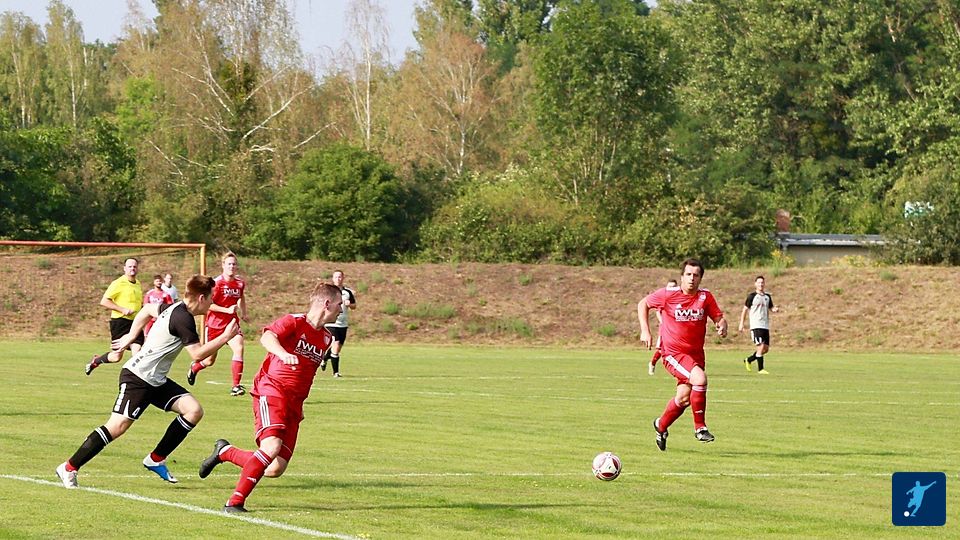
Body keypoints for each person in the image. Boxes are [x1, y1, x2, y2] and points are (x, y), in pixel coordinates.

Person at [56, 275, 240, 489]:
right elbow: (197, 354)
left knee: (193, 410)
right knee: (117, 426)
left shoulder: (174, 307)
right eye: (211, 298)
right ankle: (68, 468)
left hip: (156, 380)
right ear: (201, 298)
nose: (211, 303)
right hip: (138, 378)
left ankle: (155, 459)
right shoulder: (183, 319)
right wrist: (225, 337)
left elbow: (147, 310)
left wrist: (131, 336)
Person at [197, 281, 343, 513]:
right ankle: (234, 503)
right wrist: (283, 354)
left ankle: (225, 452)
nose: (341, 309)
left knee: (275, 467)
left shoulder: (326, 338)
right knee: (271, 446)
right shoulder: (295, 321)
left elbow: (307, 374)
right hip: (272, 390)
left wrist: (299, 403)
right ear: (327, 303)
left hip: (294, 404)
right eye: (339, 304)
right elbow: (267, 337)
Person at [639, 258, 727, 451]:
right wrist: (645, 330)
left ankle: (661, 425)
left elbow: (718, 317)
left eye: (696, 275)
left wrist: (722, 326)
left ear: (700, 278)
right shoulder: (668, 295)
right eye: (688, 274)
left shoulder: (705, 297)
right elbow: (643, 304)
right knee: (700, 379)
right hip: (673, 353)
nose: (692, 278)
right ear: (682, 276)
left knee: (684, 399)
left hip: (696, 355)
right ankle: (700, 428)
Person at [187, 251, 248, 396]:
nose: (232, 266)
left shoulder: (240, 283)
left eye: (234, 264)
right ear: (223, 265)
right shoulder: (216, 284)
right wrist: (227, 310)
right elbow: (209, 305)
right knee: (209, 360)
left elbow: (241, 297)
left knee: (239, 347)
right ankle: (195, 368)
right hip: (215, 326)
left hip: (232, 324)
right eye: (229, 264)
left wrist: (244, 313)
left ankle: (236, 386)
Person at [85, 257, 144, 376]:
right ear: (124, 268)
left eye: (134, 266)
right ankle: (96, 361)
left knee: (137, 352)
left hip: (135, 323)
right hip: (120, 322)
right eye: (130, 266)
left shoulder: (138, 284)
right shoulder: (118, 283)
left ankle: (135, 379)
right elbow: (104, 301)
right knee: (116, 357)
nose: (132, 268)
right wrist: (123, 310)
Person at [738, 275, 779, 374]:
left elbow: (771, 307)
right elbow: (745, 310)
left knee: (765, 349)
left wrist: (774, 309)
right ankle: (761, 369)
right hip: (756, 325)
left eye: (762, 282)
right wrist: (741, 323)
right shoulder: (752, 296)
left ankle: (749, 360)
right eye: (759, 282)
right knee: (760, 346)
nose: (761, 284)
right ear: (755, 284)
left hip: (765, 325)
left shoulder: (767, 297)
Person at [321, 269, 356, 378]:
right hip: (331, 322)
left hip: (343, 324)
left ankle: (324, 358)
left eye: (340, 277)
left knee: (337, 348)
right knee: (335, 345)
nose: (338, 279)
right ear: (333, 278)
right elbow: (322, 303)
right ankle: (335, 373)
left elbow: (354, 306)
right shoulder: (329, 291)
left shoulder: (347, 292)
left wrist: (349, 304)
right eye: (336, 277)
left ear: (343, 278)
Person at [647, 279, 678, 376]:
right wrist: (664, 323)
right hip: (665, 329)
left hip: (677, 330)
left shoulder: (680, 299)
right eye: (670, 287)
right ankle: (652, 363)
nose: (672, 289)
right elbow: (658, 312)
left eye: (674, 287)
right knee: (661, 350)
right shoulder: (664, 298)